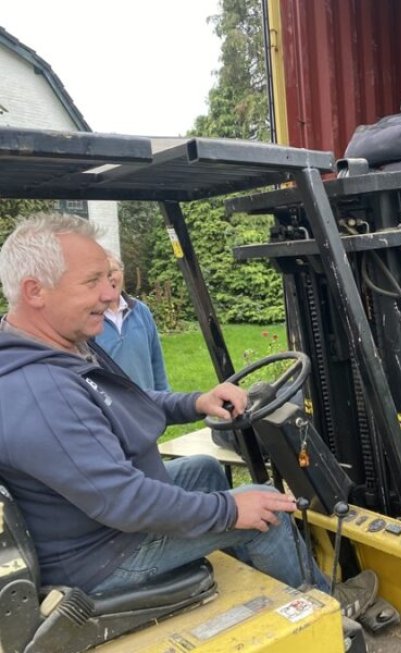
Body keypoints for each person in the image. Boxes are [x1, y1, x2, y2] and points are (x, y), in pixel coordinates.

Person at [0, 213, 376, 617]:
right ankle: (327, 610)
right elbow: (127, 502)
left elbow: (121, 401)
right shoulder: (40, 392)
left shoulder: (59, 348)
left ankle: (263, 579)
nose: (109, 296)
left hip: (99, 527)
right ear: (35, 291)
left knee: (204, 470)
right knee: (266, 508)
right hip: (105, 558)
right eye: (91, 283)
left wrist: (197, 401)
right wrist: (232, 511)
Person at [94, 253, 170, 391]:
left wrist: (165, 397)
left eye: (112, 272)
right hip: (111, 408)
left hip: (146, 402)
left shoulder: (141, 311)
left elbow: (157, 362)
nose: (108, 278)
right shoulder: (90, 320)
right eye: (101, 275)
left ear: (122, 272)